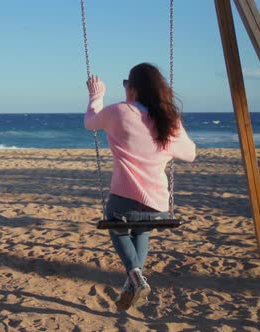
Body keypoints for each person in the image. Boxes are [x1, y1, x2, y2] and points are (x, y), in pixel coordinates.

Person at [84, 63, 196, 310]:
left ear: (132, 88)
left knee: (117, 227)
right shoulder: (168, 119)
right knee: (141, 230)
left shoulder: (119, 111)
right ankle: (133, 282)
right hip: (157, 206)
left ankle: (134, 273)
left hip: (122, 202)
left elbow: (90, 122)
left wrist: (96, 96)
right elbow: (190, 154)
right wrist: (172, 126)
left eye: (126, 85)